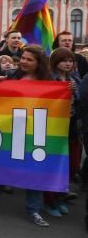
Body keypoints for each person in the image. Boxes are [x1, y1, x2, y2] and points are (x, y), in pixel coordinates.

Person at [0, 46, 52, 225]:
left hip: (36, 130)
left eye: (29, 60)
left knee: (34, 168)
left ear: (39, 63)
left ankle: (34, 210)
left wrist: (71, 89)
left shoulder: (49, 80)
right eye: (23, 58)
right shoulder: (13, 75)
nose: (23, 61)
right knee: (5, 163)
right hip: (12, 128)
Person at [43, 47, 80, 216]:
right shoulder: (48, 79)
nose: (68, 63)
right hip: (53, 129)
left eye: (71, 60)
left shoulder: (74, 78)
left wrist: (75, 91)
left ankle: (59, 197)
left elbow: (80, 101)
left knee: (71, 166)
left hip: (72, 128)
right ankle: (49, 202)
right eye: (64, 60)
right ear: (56, 61)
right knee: (53, 167)